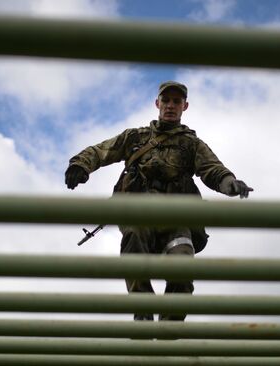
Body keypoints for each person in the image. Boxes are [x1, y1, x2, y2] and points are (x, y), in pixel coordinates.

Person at [65, 80, 252, 321]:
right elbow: (102, 151)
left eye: (177, 101)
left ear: (185, 106)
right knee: (133, 237)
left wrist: (230, 183)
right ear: (157, 103)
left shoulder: (191, 144)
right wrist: (80, 165)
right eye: (166, 101)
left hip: (177, 218)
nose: (170, 106)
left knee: (183, 265)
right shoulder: (135, 138)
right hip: (140, 213)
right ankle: (143, 313)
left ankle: (169, 331)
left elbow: (212, 169)